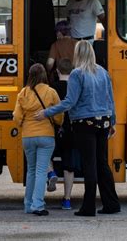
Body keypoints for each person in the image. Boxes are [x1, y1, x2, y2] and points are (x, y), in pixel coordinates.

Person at [35, 40, 120, 217]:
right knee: (102, 163)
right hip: (103, 121)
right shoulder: (103, 72)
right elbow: (110, 99)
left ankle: (88, 207)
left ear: (78, 54)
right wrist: (112, 122)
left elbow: (70, 102)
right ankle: (112, 203)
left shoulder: (77, 74)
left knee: (89, 165)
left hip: (84, 123)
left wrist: (47, 112)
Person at [13, 64, 63, 216]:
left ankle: (28, 205)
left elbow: (17, 117)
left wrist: (24, 125)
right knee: (42, 171)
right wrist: (56, 122)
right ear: (43, 75)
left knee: (31, 171)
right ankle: (38, 205)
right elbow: (59, 116)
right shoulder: (51, 92)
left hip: (28, 137)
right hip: (46, 136)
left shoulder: (23, 93)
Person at [51, 59, 81, 210]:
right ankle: (67, 199)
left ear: (57, 71)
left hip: (54, 130)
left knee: (46, 156)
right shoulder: (75, 87)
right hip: (72, 130)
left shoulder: (52, 88)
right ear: (73, 71)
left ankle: (51, 175)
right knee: (69, 166)